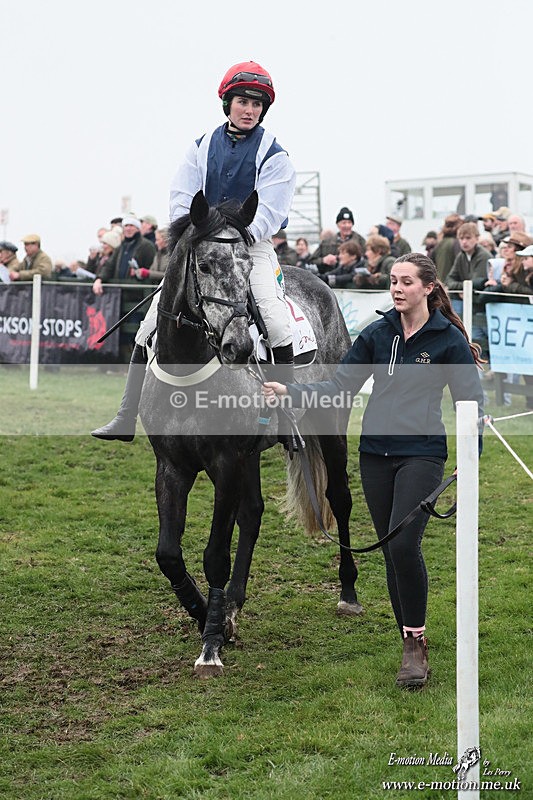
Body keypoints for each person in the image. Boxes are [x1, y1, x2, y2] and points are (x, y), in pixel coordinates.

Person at [262, 252, 484, 688]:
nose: (397, 289)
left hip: (422, 454)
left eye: (406, 282)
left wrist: (471, 461)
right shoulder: (377, 334)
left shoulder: (447, 341)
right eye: (393, 281)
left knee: (402, 545)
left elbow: (470, 404)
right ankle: (410, 639)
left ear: (428, 288)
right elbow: (339, 386)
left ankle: (415, 647)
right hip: (375, 455)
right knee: (390, 551)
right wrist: (292, 392)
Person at [92, 60, 297, 443]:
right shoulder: (201, 147)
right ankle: (125, 415)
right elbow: (181, 198)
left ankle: (285, 419)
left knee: (276, 321)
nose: (249, 110)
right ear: (227, 103)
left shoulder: (275, 155)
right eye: (243, 102)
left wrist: (232, 238)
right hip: (202, 246)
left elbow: (270, 212)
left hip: (250, 247)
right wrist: (197, 235)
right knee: (148, 327)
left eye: (256, 104)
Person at [445, 221, 491, 356]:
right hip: (468, 304)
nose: (464, 242)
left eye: (468, 238)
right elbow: (449, 280)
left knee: (481, 342)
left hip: (481, 306)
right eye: (461, 238)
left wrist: (465, 288)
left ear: (477, 238)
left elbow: (477, 283)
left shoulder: (483, 255)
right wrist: (464, 288)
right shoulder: (461, 256)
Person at [309, 208, 365, 273]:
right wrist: (324, 260)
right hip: (330, 276)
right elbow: (311, 260)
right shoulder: (327, 243)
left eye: (349, 222)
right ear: (338, 225)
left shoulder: (360, 241)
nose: (347, 225)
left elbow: (367, 259)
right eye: (344, 223)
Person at [431, 214, 462, 282]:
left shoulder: (439, 244)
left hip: (440, 283)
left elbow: (431, 263)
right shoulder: (456, 243)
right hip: (451, 284)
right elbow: (460, 266)